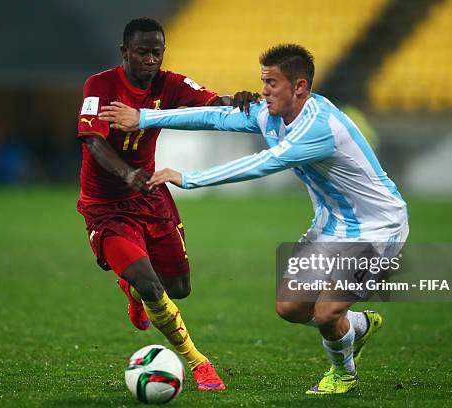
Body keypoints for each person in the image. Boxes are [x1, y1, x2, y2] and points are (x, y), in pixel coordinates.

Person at [98, 43, 409, 395]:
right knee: (290, 308)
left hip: (377, 227)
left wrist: (187, 178)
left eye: (272, 83)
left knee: (325, 313)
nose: (263, 91)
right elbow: (214, 118)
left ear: (300, 87)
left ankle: (344, 375)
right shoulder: (271, 114)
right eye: (263, 82)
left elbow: (263, 163)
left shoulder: (319, 127)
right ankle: (360, 326)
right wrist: (144, 117)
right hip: (331, 224)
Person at [76, 17, 257, 391]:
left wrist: (235, 101)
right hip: (106, 207)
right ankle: (199, 363)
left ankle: (133, 289)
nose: (150, 59)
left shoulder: (169, 83)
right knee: (151, 284)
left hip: (151, 195)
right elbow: (92, 141)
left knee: (178, 288)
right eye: (142, 52)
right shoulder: (100, 85)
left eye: (156, 52)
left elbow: (211, 103)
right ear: (125, 52)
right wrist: (127, 174)